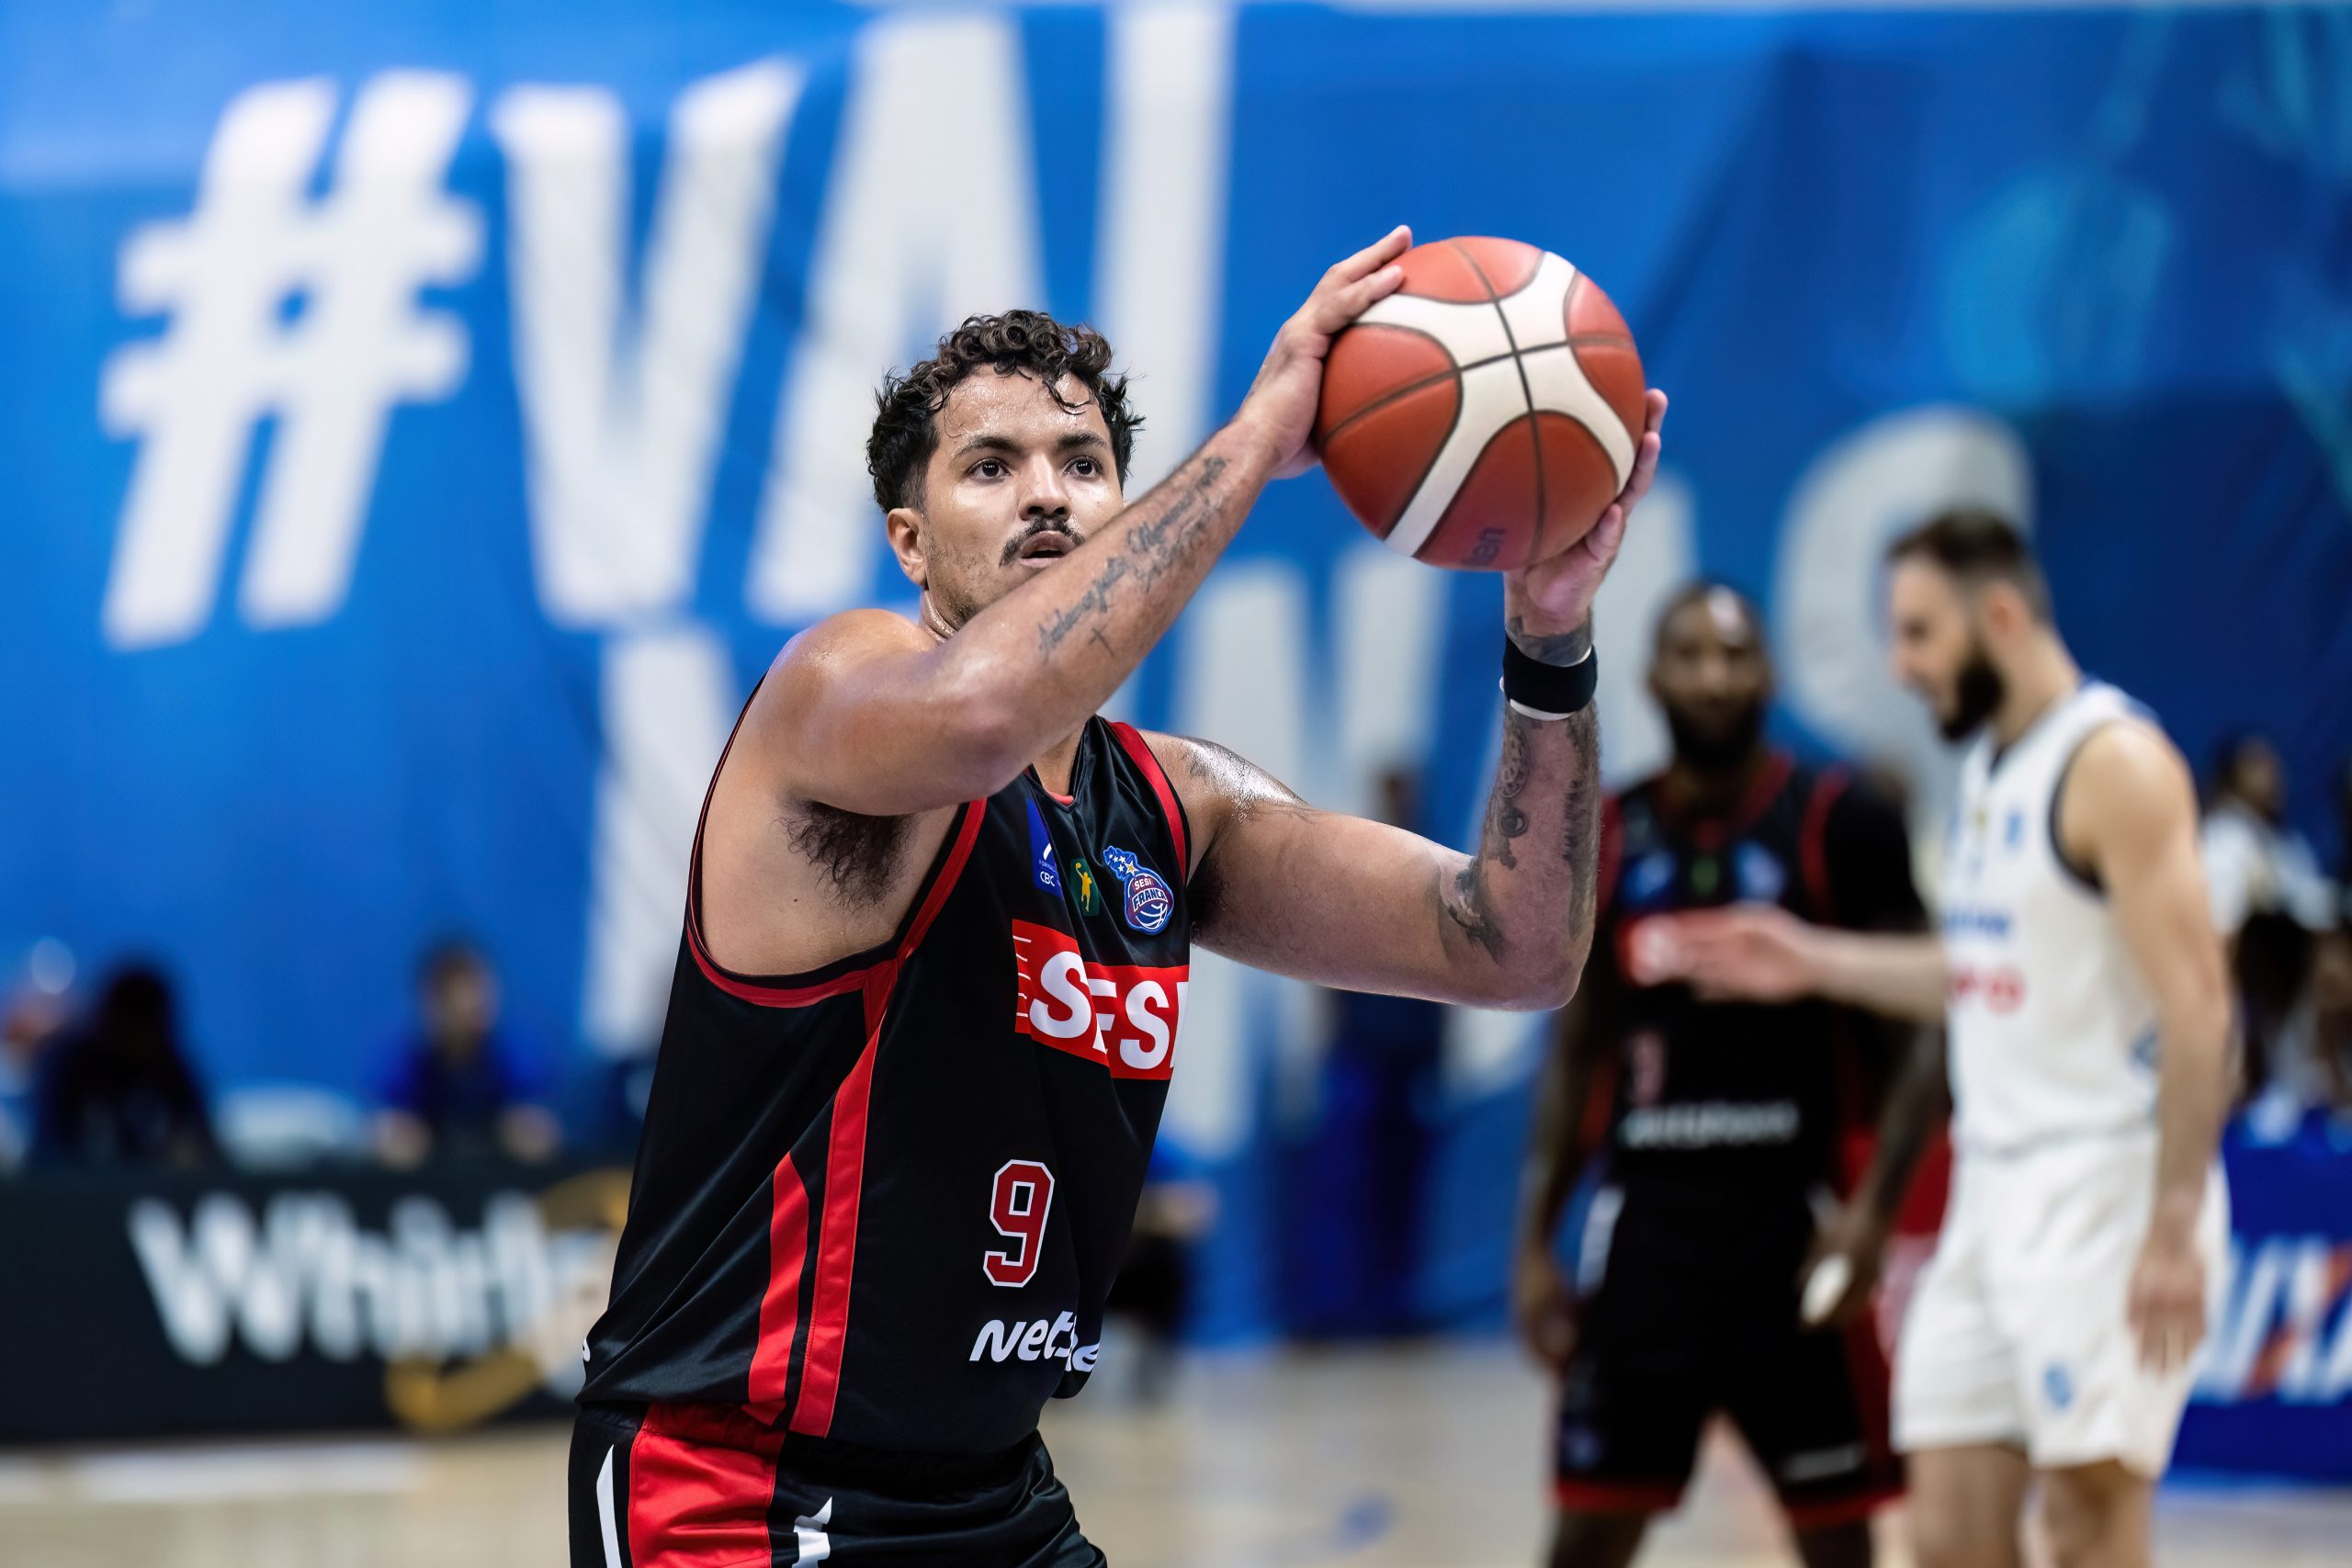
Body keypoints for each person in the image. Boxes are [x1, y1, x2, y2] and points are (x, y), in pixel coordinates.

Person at [571, 226, 1668, 1566]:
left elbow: (1517, 947)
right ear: (909, 541)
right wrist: (1256, 442)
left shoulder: (1172, 807)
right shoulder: (836, 692)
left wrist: (1549, 634)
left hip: (993, 1489)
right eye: (991, 466)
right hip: (737, 1486)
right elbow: (986, 713)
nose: (1047, 494)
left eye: (1082, 464)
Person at [1660, 513, 2230, 1568]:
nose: (1900, 665)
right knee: (1947, 1535)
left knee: (2086, 1528)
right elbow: (1978, 971)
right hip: (1990, 1194)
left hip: (2103, 1190)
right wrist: (1813, 960)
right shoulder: (1988, 770)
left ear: (2000, 616)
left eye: (1919, 633)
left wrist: (2172, 1222)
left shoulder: (2114, 764)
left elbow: (2203, 1011)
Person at [1515, 583, 1932, 1568]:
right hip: (1647, 1242)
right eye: (1691, 655)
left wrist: (1874, 1216)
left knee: (1840, 1542)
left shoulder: (1840, 820)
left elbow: (1925, 1037)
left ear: (1770, 675)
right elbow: (1577, 1050)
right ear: (1651, 677)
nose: (1713, 677)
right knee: (1584, 1538)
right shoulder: (1606, 836)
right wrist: (1533, 1242)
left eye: (1735, 654)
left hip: (1796, 1237)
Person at [372, 940, 560, 1167]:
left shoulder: (516, 1054)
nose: (474, 1004)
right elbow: (390, 1132)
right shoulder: (408, 1059)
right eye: (458, 994)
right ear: (433, 1004)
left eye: (481, 992)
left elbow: (538, 1134)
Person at [35, 963, 216, 1168]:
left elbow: (206, 1147)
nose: (139, 1041)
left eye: (150, 1030)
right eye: (133, 1028)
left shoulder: (172, 1069)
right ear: (110, 1019)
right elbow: (49, 1153)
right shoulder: (70, 1065)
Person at [2199, 733, 2334, 938]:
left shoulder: (2289, 843)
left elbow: (2313, 904)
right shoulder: (2216, 840)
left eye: (2274, 765)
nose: (2272, 774)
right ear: (2229, 778)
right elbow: (2222, 919)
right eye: (2257, 765)